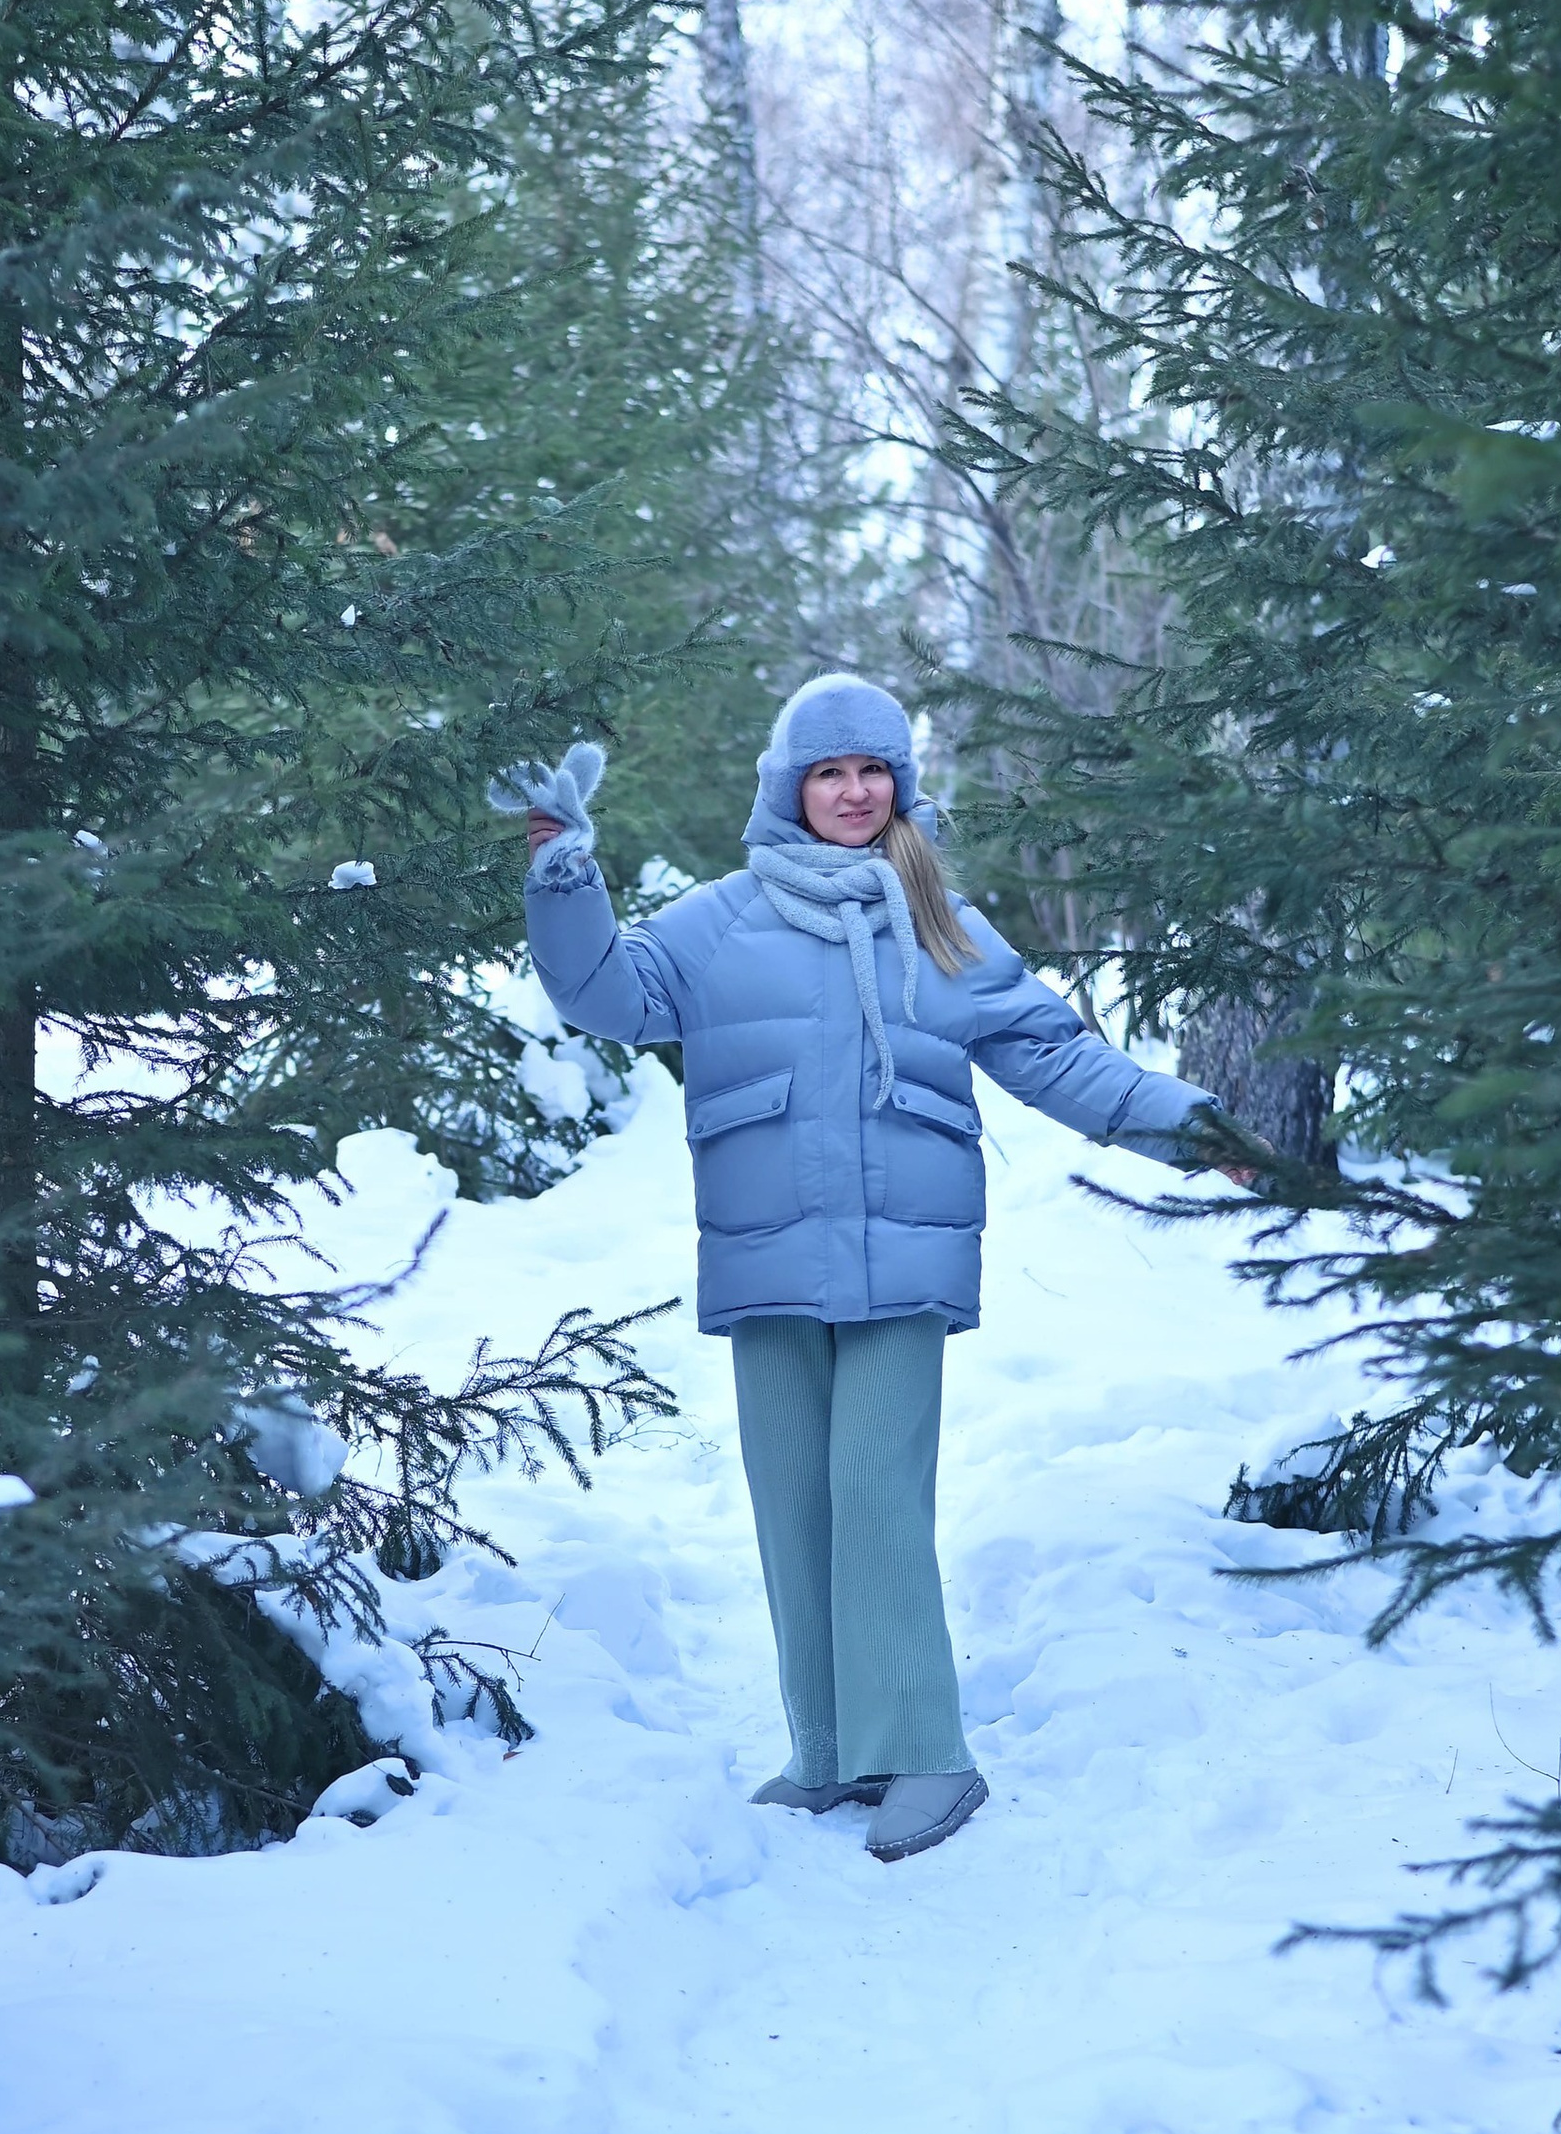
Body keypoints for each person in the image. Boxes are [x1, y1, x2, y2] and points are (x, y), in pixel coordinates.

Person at [493, 674, 1249, 1861]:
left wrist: (1192, 1128)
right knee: (792, 1496)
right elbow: (605, 993)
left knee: (873, 1491)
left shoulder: (941, 920)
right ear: (788, 787)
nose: (854, 791)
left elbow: (1053, 1056)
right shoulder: (721, 920)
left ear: (900, 784)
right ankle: (832, 1749)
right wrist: (562, 873)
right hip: (769, 1252)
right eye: (830, 772)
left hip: (906, 1254)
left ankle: (932, 1756)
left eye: (873, 770)